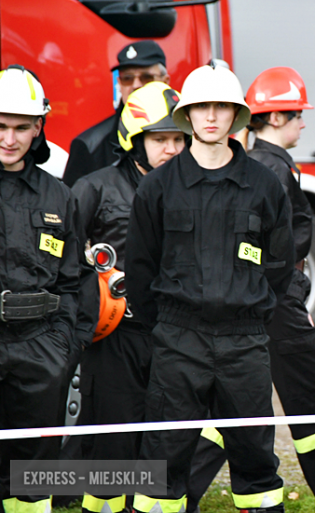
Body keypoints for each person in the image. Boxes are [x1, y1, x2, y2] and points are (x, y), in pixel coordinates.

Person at [185, 66, 315, 513]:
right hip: (276, 308)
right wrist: (290, 298)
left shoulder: (265, 164)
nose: (303, 123)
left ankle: (175, 492)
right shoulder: (271, 169)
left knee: (228, 411)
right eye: (298, 114)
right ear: (276, 118)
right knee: (311, 407)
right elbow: (280, 247)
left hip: (260, 305)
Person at [125, 64, 295, 513]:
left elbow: (280, 264)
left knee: (255, 456)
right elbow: (140, 269)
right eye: (202, 106)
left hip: (245, 341)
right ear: (188, 115)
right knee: (163, 459)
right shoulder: (157, 187)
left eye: (222, 106)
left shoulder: (264, 185)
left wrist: (250, 314)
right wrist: (167, 328)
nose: (212, 116)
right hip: (178, 340)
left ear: (237, 115)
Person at [71, 81, 186, 513]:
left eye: (178, 138)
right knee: (111, 442)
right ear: (134, 140)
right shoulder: (93, 190)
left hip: (173, 334)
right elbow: (65, 261)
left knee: (166, 438)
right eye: (160, 139)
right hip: (115, 336)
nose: (171, 149)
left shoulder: (193, 190)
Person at [0, 65, 82, 513]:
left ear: (38, 129)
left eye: (21, 128)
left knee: (32, 476)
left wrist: (62, 347)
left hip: (40, 347)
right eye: (1, 126)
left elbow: (72, 282)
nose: (10, 139)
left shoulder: (59, 196)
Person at [63, 40, 169, 186]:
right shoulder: (89, 146)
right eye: (128, 78)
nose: (136, 85)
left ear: (166, 81)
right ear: (119, 83)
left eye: (146, 77)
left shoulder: (189, 135)